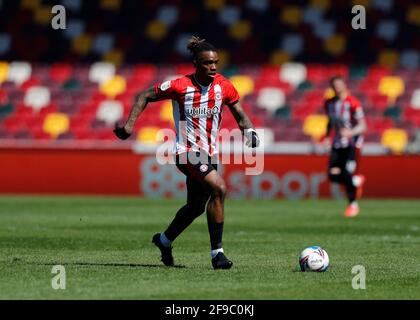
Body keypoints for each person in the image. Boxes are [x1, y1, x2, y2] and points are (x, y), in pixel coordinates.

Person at [113, 36, 260, 269]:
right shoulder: (180, 86)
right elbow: (144, 96)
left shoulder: (225, 86)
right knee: (219, 188)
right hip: (187, 151)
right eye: (206, 63)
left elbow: (241, 115)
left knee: (195, 207)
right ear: (196, 63)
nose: (212, 67)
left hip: (209, 153)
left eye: (215, 63)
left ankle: (164, 240)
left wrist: (250, 131)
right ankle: (217, 254)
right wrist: (129, 126)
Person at [323, 76, 367, 218]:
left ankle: (353, 205)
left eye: (339, 84)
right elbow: (330, 122)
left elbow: (363, 125)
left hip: (351, 145)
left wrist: (351, 132)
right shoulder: (329, 103)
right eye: (334, 85)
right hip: (337, 144)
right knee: (332, 175)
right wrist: (327, 137)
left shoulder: (353, 103)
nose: (337, 87)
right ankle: (355, 181)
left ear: (344, 85)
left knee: (346, 172)